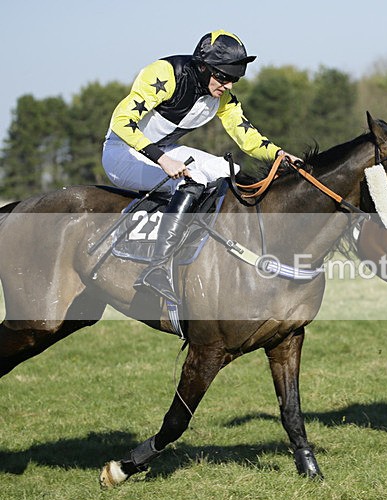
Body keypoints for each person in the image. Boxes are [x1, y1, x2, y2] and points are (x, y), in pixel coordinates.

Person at [102, 30, 302, 304]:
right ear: (202, 66)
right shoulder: (164, 74)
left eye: (235, 79)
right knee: (189, 180)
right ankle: (156, 269)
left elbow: (246, 135)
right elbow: (122, 122)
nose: (229, 85)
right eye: (224, 76)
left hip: (165, 150)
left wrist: (279, 155)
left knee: (229, 172)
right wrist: (161, 159)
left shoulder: (221, 96)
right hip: (123, 152)